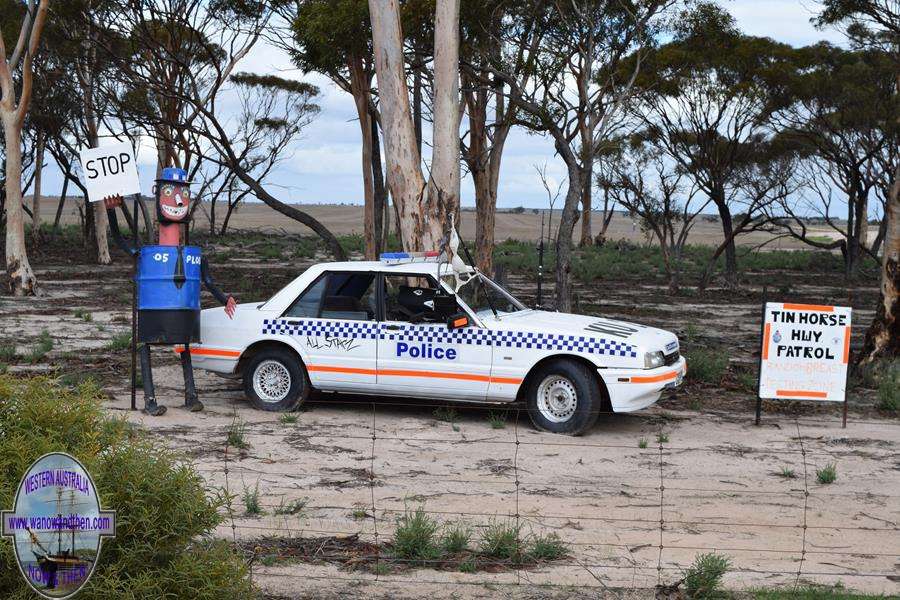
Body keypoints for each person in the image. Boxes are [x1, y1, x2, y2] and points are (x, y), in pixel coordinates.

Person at [104, 167, 236, 415]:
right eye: (169, 191)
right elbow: (121, 241)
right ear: (157, 194)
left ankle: (191, 395)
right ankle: (150, 400)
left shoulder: (193, 255)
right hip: (153, 310)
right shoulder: (147, 253)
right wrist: (112, 211)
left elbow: (206, 279)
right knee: (146, 346)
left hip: (183, 311)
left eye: (183, 192)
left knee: (184, 345)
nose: (177, 199)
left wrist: (224, 298)